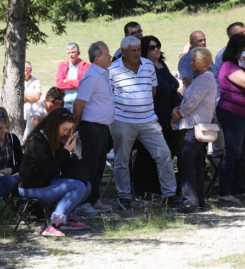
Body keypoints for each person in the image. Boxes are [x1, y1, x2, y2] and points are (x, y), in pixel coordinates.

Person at [108, 36, 181, 210]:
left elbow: (153, 90)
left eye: (139, 49)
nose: (136, 53)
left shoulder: (148, 66)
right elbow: (109, 95)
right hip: (123, 120)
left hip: (148, 119)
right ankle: (124, 197)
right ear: (123, 52)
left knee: (163, 154)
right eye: (132, 50)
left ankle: (169, 195)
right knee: (122, 160)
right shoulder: (113, 70)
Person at [19, 108, 89, 237]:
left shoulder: (54, 139)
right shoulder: (38, 141)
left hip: (45, 182)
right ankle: (53, 225)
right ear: (54, 125)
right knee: (78, 187)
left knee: (86, 185)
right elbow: (46, 171)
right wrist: (65, 151)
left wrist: (66, 150)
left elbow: (61, 168)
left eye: (69, 130)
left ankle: (67, 219)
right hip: (32, 186)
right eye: (64, 129)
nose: (66, 133)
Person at [132, 36, 181, 200]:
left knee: (162, 155)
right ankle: (140, 191)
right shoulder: (143, 68)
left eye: (158, 46)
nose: (156, 50)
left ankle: (157, 189)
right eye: (152, 47)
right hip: (149, 117)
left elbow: (173, 85)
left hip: (167, 117)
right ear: (145, 50)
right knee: (145, 155)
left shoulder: (162, 65)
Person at [171, 47, 216, 213]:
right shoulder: (202, 78)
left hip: (196, 126)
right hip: (195, 125)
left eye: (193, 60)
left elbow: (192, 102)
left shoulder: (204, 78)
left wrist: (179, 114)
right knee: (196, 164)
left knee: (185, 162)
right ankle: (198, 200)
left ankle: (190, 201)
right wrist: (178, 108)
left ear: (204, 62)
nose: (190, 64)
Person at [72, 41, 114, 215]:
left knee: (98, 167)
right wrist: (77, 124)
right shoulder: (92, 76)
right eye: (107, 54)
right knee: (89, 166)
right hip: (91, 128)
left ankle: (94, 199)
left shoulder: (103, 73)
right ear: (97, 58)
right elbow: (79, 102)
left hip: (102, 128)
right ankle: (83, 203)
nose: (110, 57)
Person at [216, 33, 245, 203]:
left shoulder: (240, 66)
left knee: (243, 153)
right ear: (238, 51)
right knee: (232, 152)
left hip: (244, 114)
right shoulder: (229, 66)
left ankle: (238, 188)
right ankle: (224, 191)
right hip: (231, 113)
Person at [55, 42, 91, 111]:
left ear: (79, 53)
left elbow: (84, 84)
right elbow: (59, 84)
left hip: (80, 104)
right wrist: (76, 83)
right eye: (69, 53)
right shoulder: (62, 65)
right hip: (65, 103)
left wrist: (67, 81)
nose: (71, 55)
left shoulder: (85, 66)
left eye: (73, 52)